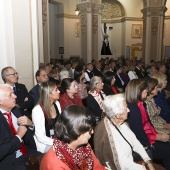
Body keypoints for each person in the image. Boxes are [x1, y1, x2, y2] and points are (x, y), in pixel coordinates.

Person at [94, 94, 155, 170]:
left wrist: (148, 161)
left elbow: (135, 142)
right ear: (118, 115)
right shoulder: (107, 133)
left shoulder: (121, 122)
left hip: (133, 162)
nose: (129, 110)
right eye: (126, 108)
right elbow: (124, 164)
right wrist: (144, 168)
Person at [40, 105, 106, 170]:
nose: (92, 132)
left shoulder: (84, 147)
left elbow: (98, 167)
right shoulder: (55, 165)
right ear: (76, 132)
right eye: (89, 130)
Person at [126, 79, 170, 169]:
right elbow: (138, 134)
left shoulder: (140, 104)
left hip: (149, 137)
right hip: (144, 144)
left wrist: (157, 135)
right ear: (138, 92)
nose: (147, 91)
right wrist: (156, 137)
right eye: (145, 89)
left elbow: (148, 124)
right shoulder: (133, 109)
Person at [0, 84, 38, 170]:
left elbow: (28, 134)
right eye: (10, 95)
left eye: (13, 93)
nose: (15, 96)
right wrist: (19, 136)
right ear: (0, 101)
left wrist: (30, 124)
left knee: (48, 158)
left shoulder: (15, 111)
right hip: (9, 160)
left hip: (27, 151)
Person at [32, 81, 61, 153]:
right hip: (45, 144)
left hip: (57, 138)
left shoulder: (56, 103)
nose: (59, 91)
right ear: (49, 93)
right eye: (56, 90)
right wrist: (59, 143)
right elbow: (40, 137)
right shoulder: (37, 110)